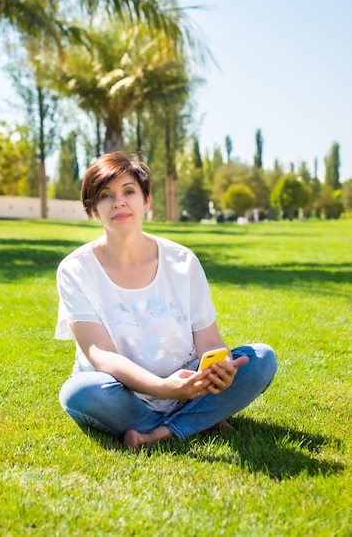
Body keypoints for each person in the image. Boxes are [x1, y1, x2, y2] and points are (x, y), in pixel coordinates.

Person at [56, 152, 277, 448]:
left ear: (147, 200)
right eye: (106, 195)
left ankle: (159, 433)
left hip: (188, 380)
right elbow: (101, 355)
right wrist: (163, 389)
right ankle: (196, 421)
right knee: (80, 392)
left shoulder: (183, 261)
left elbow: (210, 342)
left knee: (261, 359)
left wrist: (221, 365)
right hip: (119, 390)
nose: (119, 202)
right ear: (93, 209)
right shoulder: (75, 269)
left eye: (129, 191)